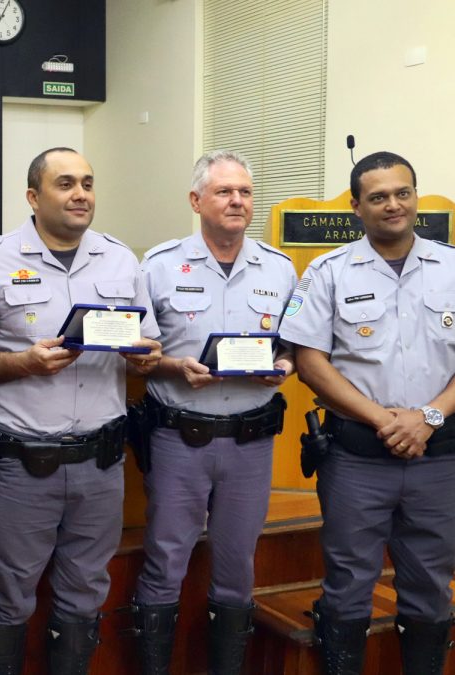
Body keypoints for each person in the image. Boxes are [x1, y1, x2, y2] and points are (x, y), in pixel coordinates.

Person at [0, 147, 162, 674]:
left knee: (85, 595)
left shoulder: (120, 258)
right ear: (33, 196)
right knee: (9, 595)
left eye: (88, 184)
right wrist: (22, 363)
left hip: (101, 462)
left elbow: (148, 352)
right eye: (65, 183)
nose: (81, 195)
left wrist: (145, 357)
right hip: (23, 464)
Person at [280, 151, 455, 674]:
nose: (392, 204)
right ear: (357, 206)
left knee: (431, 582)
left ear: (415, 197)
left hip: (439, 457)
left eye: (402, 192)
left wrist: (428, 417)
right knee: (348, 583)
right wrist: (385, 419)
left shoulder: (452, 266)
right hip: (357, 458)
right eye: (377, 196)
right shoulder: (328, 272)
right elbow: (309, 362)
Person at [132, 150, 296, 675]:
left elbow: (294, 345)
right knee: (164, 563)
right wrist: (176, 366)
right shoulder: (157, 266)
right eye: (225, 191)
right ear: (196, 200)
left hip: (251, 442)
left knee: (237, 569)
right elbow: (137, 358)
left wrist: (286, 364)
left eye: (245, 192)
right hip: (181, 439)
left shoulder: (279, 267)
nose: (237, 201)